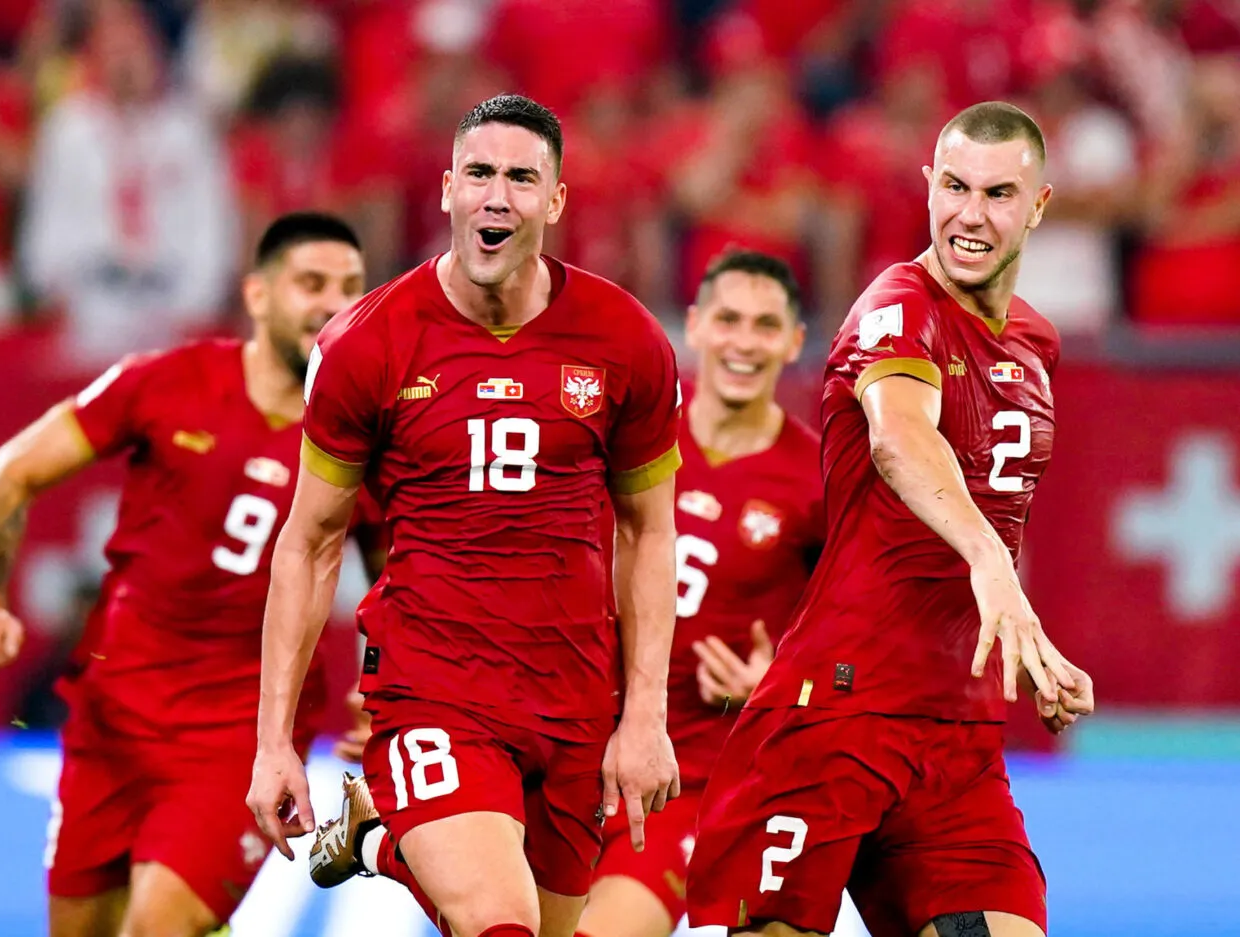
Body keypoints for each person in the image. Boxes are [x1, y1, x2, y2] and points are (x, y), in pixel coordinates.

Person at [247, 94, 683, 937]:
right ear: (446, 189)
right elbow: (309, 542)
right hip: (434, 689)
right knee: (497, 920)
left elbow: (649, 530)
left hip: (572, 698)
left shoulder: (625, 340)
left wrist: (643, 715)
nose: (496, 197)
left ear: (556, 201)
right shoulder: (367, 343)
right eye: (479, 173)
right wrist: (274, 742)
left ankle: (381, 835)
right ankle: (397, 820)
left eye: (522, 178)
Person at [685, 101, 1097, 937]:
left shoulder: (1034, 343)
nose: (970, 215)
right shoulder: (899, 304)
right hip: (836, 711)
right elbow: (901, 438)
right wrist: (992, 568)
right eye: (953, 187)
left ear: (1041, 204)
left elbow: (988, 516)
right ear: (927, 185)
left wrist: (1030, 641)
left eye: (997, 194)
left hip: (958, 732)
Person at [0, 212, 368, 937]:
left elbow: (403, 578)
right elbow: (10, 473)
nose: (333, 303)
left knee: (156, 926)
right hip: (113, 720)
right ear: (258, 296)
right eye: (311, 283)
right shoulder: (168, 382)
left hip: (240, 738)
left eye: (351, 288)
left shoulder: (362, 439)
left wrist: (386, 689)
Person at [577, 249, 824, 937]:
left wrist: (780, 687)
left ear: (794, 340)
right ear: (694, 325)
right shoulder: (623, 443)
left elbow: (856, 639)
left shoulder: (815, 482)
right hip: (571, 756)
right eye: (729, 320)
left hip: (691, 782)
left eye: (766, 325)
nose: (744, 342)